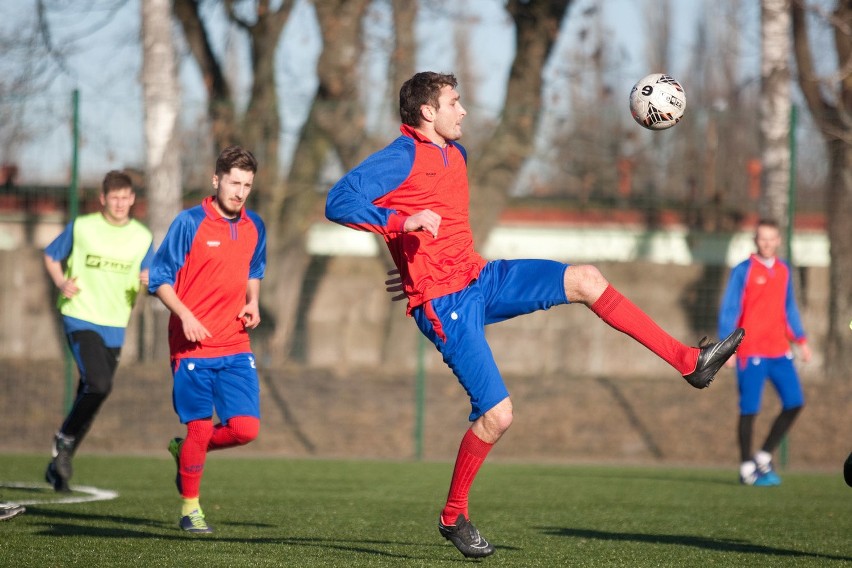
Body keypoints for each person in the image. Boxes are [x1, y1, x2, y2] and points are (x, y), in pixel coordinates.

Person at [325, 71, 745, 559]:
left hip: (482, 277)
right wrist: (402, 230)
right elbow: (339, 201)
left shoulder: (454, 153)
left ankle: (690, 362)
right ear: (427, 112)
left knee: (586, 278)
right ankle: (453, 515)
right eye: (454, 102)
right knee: (499, 415)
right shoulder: (400, 156)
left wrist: (410, 254)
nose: (462, 111)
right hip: (446, 304)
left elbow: (435, 223)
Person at [148, 145, 266, 534]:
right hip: (191, 345)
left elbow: (254, 268)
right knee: (200, 427)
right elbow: (159, 278)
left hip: (234, 343)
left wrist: (253, 301)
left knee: (245, 429)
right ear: (216, 180)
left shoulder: (255, 226)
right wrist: (185, 316)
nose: (240, 191)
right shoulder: (188, 223)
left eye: (247, 184)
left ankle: (186, 452)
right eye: (234, 182)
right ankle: (190, 508)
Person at [43, 170, 154, 492]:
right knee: (100, 384)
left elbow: (150, 277)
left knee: (91, 395)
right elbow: (51, 256)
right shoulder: (83, 228)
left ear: (133, 199)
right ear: (103, 199)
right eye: (114, 198)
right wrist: (61, 281)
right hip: (80, 316)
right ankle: (64, 440)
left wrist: (149, 283)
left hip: (116, 324)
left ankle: (59, 465)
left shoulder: (142, 237)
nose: (120, 204)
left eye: (126, 198)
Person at [718, 218, 810, 487]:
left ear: (778, 240)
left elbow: (789, 308)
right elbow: (730, 309)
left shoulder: (783, 270)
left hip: (780, 351)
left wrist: (801, 340)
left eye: (771, 238)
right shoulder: (743, 270)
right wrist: (728, 348)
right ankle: (746, 466)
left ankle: (763, 455)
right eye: (762, 238)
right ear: (755, 240)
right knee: (749, 409)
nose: (767, 243)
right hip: (750, 351)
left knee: (795, 402)